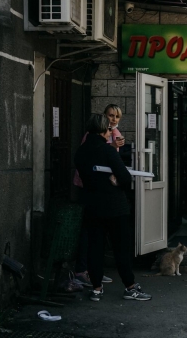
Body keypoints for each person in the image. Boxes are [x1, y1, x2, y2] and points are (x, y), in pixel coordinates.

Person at [74, 114, 152, 302]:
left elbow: (85, 178)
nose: (111, 132)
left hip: (92, 205)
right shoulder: (108, 151)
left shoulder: (81, 152)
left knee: (95, 247)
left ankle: (96, 288)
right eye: (109, 129)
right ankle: (130, 287)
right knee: (121, 248)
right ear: (102, 130)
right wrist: (115, 180)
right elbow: (125, 178)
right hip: (115, 207)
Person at [72, 104, 125, 286]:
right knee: (90, 232)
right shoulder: (93, 136)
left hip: (104, 188)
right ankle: (83, 270)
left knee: (98, 234)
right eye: (110, 115)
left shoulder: (115, 133)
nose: (114, 119)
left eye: (117, 116)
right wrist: (111, 147)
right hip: (90, 187)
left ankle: (95, 271)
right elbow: (93, 158)